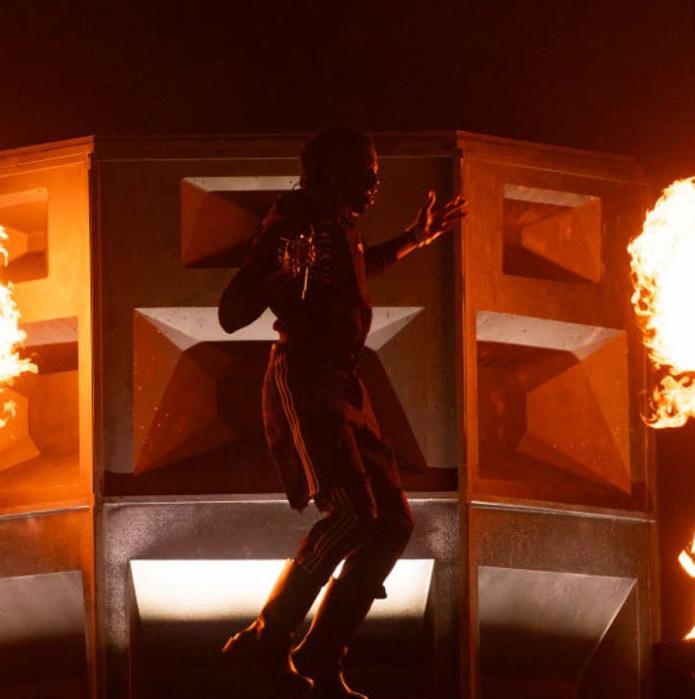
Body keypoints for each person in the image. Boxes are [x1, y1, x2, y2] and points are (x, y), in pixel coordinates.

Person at [218, 127, 465, 699]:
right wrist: (280, 268)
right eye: (368, 174)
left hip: (345, 386)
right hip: (303, 380)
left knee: (393, 523)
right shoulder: (289, 224)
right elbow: (232, 311)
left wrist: (412, 239)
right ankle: (266, 636)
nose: (376, 186)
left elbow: (354, 273)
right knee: (353, 515)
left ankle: (322, 654)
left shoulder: (340, 224)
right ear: (332, 175)